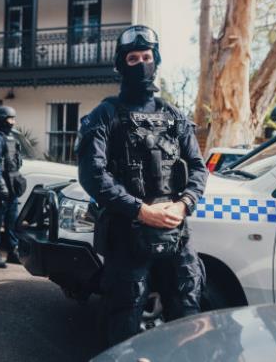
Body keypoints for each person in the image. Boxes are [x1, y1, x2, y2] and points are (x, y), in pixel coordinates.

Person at [76, 25, 208, 345]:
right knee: (123, 319)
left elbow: (198, 168)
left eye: (146, 57)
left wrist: (183, 204)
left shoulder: (175, 116)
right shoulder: (105, 115)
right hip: (126, 234)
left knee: (188, 313)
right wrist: (140, 210)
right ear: (121, 66)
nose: (141, 64)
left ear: (156, 60)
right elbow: (92, 174)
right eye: (133, 58)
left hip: (174, 233)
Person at [0, 106, 26, 268]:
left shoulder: (12, 138)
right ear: (2, 119)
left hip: (13, 185)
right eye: (10, 119)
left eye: (13, 119)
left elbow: (17, 161)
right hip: (1, 185)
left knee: (12, 221)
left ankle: (12, 252)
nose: (13, 122)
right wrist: (1, 184)